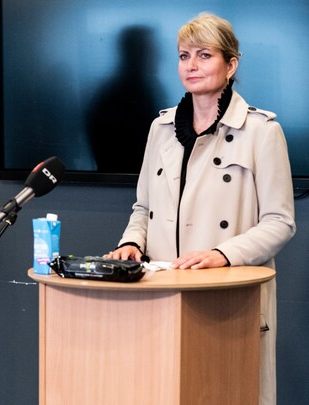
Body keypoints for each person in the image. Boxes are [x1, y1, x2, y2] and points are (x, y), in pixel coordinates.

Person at [106, 13, 295, 405]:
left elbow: (280, 222)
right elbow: (143, 206)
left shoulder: (262, 131)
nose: (191, 65)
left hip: (227, 300)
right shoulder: (160, 129)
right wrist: (131, 243)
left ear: (231, 65)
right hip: (160, 297)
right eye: (184, 56)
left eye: (204, 55)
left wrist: (222, 254)